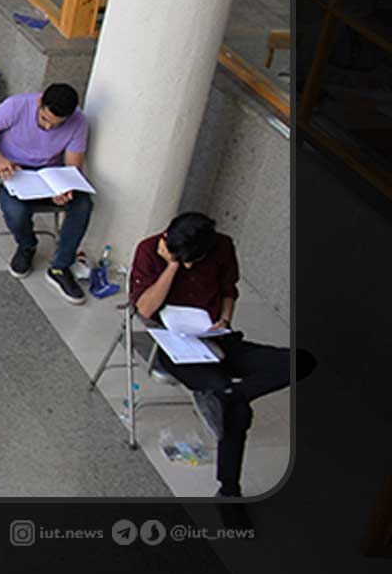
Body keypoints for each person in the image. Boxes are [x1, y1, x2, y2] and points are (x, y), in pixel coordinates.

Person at [128, 212, 316, 500]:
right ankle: (229, 491)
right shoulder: (149, 250)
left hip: (218, 339)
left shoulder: (223, 246)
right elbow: (145, 309)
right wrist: (173, 264)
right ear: (167, 238)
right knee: (237, 412)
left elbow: (229, 291)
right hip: (176, 347)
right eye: (184, 259)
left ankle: (233, 394)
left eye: (194, 260)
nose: (189, 266)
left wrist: (224, 320)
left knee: (300, 360)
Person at [0, 83, 93, 302]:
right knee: (16, 209)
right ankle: (27, 245)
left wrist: (64, 188)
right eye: (44, 119)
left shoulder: (78, 122)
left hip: (48, 174)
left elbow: (72, 168)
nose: (48, 127)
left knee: (83, 204)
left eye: (56, 124)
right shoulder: (17, 106)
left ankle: (60, 266)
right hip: (10, 168)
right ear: (39, 103)